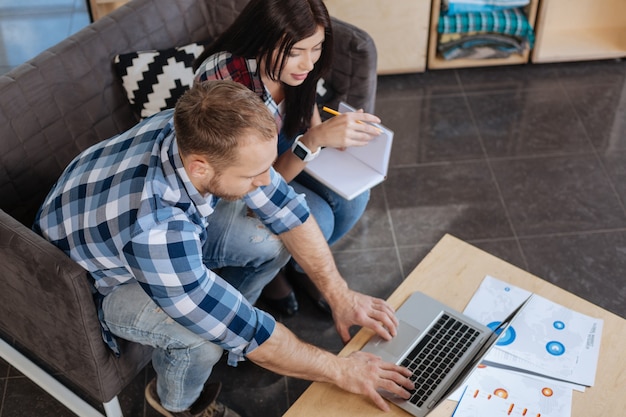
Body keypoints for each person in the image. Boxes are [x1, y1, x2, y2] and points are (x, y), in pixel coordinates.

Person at [33, 81, 413, 417]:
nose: (267, 181)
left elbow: (285, 209)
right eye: (252, 175)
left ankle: (225, 330)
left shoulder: (195, 124)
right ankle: (176, 405)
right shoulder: (157, 231)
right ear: (200, 168)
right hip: (93, 284)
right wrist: (341, 370)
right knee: (200, 339)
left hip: (110, 221)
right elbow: (243, 327)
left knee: (266, 242)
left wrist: (340, 295)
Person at [193, 0, 382, 316]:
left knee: (355, 197)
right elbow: (256, 181)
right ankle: (279, 269)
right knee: (316, 217)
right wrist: (313, 142)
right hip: (239, 174)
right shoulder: (227, 82)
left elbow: (306, 109)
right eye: (295, 52)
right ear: (263, 39)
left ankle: (300, 265)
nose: (308, 64)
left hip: (283, 145)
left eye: (317, 48)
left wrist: (330, 134)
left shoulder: (299, 67)